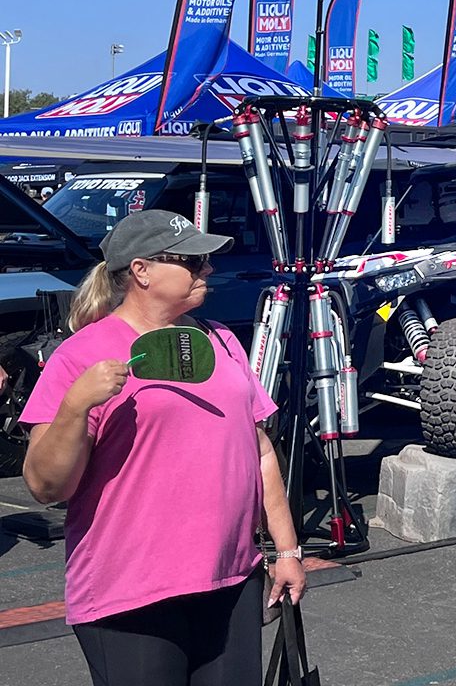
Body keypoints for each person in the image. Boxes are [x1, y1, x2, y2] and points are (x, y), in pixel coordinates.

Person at [20, 210, 306, 686]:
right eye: (192, 261)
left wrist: (287, 549)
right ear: (142, 271)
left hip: (231, 578)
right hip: (131, 591)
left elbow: (258, 450)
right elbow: (46, 485)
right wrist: (75, 406)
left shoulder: (222, 341)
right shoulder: (81, 355)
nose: (206, 269)